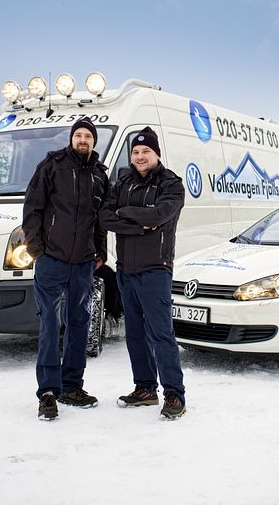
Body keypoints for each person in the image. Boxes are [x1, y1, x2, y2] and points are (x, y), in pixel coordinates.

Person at [22, 116, 109, 421]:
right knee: (49, 324)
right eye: (79, 135)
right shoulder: (52, 165)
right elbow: (32, 208)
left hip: (83, 263)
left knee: (79, 323)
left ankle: (72, 385)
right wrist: (37, 250)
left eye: (88, 136)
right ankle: (48, 392)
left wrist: (101, 252)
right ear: (72, 138)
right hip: (52, 261)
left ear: (94, 141)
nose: (83, 140)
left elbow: (99, 219)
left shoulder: (100, 174)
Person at [99, 127, 187, 420]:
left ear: (156, 153)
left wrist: (125, 213)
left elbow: (160, 215)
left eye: (145, 151)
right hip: (126, 270)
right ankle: (146, 388)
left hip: (155, 270)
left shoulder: (171, 183)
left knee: (161, 334)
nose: (139, 156)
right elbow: (104, 217)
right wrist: (138, 222)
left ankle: (174, 393)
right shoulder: (122, 182)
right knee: (135, 335)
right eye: (135, 152)